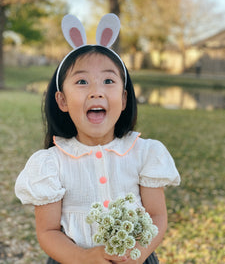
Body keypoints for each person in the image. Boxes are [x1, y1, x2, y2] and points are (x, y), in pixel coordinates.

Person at [15, 14, 180, 264]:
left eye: (108, 81)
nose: (96, 91)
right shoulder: (51, 163)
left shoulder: (145, 153)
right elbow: (47, 232)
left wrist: (136, 255)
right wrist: (82, 258)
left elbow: (157, 216)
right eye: (82, 81)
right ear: (62, 100)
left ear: (124, 99)